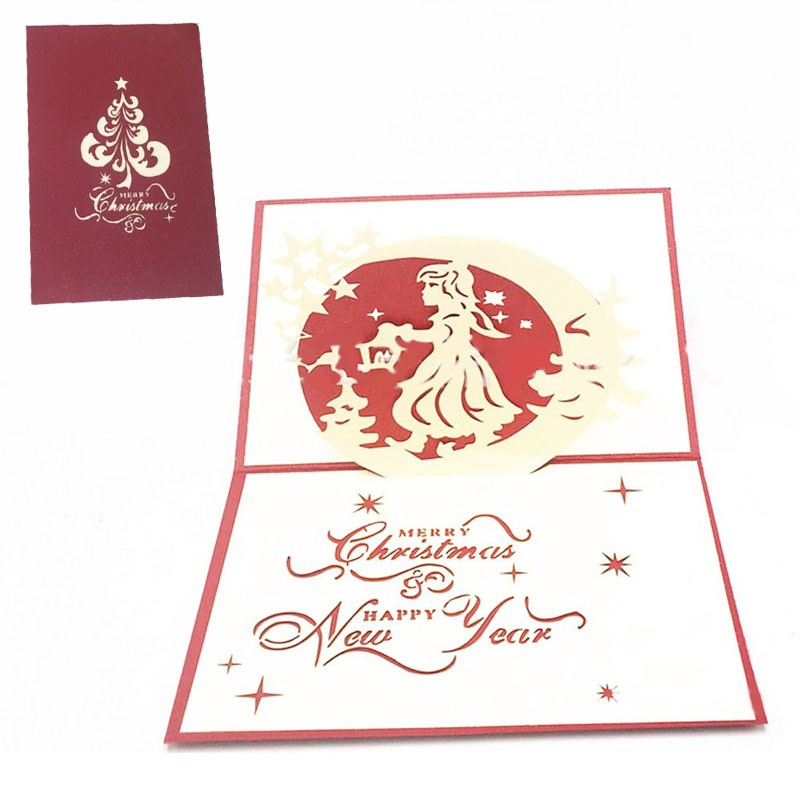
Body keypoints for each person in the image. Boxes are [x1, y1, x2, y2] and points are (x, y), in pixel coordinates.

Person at [361, 263, 522, 456]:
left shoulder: (455, 316)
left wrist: (404, 331)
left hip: (455, 366)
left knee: (459, 401)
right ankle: (418, 440)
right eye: (425, 286)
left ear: (449, 290)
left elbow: (438, 334)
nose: (424, 291)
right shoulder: (445, 315)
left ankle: (484, 436)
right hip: (440, 362)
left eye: (431, 286)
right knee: (420, 397)